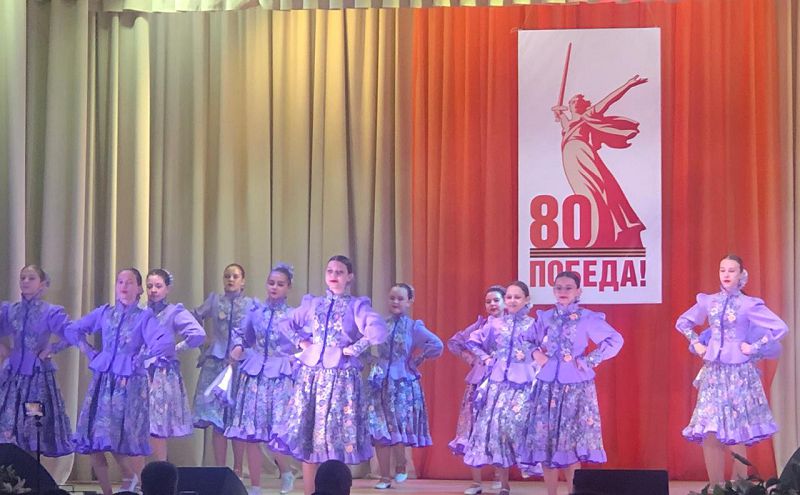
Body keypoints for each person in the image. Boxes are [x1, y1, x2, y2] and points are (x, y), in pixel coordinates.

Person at [271, 255, 387, 495]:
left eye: (340, 272)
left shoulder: (356, 306)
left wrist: (354, 348)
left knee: (335, 438)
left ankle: (336, 491)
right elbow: (285, 323)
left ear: (349, 277)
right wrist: (302, 343)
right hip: (312, 377)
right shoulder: (314, 304)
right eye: (330, 271)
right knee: (309, 437)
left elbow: (377, 329)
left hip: (341, 378)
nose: (334, 275)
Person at [675, 254, 787, 486]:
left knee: (736, 431)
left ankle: (739, 486)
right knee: (709, 430)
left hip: (738, 373)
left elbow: (779, 328)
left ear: (741, 275)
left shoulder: (749, 304)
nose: (726, 275)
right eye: (722, 270)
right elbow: (683, 322)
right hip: (714, 372)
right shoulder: (709, 301)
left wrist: (753, 346)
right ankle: (715, 487)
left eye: (731, 270)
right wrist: (696, 342)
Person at [66, 268, 173, 495]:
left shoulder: (144, 317)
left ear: (139, 289)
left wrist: (140, 359)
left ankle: (134, 478)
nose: (124, 286)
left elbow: (164, 341)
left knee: (119, 436)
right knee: (94, 438)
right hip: (103, 380)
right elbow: (74, 329)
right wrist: (89, 351)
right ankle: (107, 491)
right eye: (120, 282)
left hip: (128, 384)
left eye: (129, 282)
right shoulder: (106, 313)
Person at [522, 271, 623, 495]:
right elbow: (527, 340)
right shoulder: (546, 317)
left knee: (570, 444)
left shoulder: (588, 318)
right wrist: (537, 355)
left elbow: (615, 340)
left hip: (575, 387)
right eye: (558, 287)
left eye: (568, 288)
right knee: (546, 444)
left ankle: (572, 492)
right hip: (547, 386)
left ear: (578, 291)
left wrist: (588, 361)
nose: (563, 292)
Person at [550, 75, 648, 248]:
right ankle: (595, 234)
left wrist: (627, 85)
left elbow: (609, 100)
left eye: (579, 101)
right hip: (570, 158)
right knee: (583, 193)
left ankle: (605, 233)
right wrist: (557, 112)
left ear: (584, 105)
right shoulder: (568, 124)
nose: (575, 102)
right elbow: (562, 119)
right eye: (573, 101)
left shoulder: (589, 115)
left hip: (583, 153)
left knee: (597, 190)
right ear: (570, 106)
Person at [226, 263, 298, 495]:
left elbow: (304, 343)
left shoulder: (293, 315)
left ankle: (286, 471)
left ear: (288, 287)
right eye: (271, 283)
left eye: (280, 284)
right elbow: (243, 335)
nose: (274, 287)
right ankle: (255, 485)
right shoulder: (256, 311)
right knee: (251, 433)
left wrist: (295, 360)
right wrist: (238, 347)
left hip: (280, 376)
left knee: (276, 431)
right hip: (255, 374)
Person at [464, 281, 540, 495]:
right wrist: (487, 359)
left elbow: (546, 349)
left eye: (517, 297)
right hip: (498, 384)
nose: (512, 301)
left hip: (525, 385)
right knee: (498, 431)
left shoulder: (534, 325)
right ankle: (504, 485)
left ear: (526, 300)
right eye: (509, 297)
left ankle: (531, 469)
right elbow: (472, 341)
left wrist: (536, 366)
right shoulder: (496, 324)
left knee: (519, 427)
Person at [368, 283, 443, 489]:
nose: (395, 302)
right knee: (379, 429)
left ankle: (401, 464)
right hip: (380, 382)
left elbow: (437, 344)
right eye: (392, 297)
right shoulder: (380, 324)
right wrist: (372, 360)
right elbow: (363, 342)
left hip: (402, 383)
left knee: (398, 427)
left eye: (400, 298)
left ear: (409, 302)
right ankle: (384, 477)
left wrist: (417, 360)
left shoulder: (413, 327)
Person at [0, 265, 73, 457]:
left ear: (42, 284)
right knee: (7, 427)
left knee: (33, 425)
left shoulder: (49, 312)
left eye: (31, 278)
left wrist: (51, 349)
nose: (25, 281)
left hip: (37, 380)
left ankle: (32, 471)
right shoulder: (11, 310)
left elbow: (72, 334)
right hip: (12, 378)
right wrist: (4, 350)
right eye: (23, 278)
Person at [192, 263, 253, 473]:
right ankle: (220, 470)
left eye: (235, 276)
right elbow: (194, 316)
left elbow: (256, 331)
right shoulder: (215, 300)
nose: (230, 279)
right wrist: (204, 340)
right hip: (216, 363)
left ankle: (238, 470)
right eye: (227, 276)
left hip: (240, 366)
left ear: (243, 281)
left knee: (237, 419)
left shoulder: (251, 305)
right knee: (216, 419)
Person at [448, 285, 506, 495]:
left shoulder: (512, 325)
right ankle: (476, 482)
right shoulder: (480, 325)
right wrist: (473, 360)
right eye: (488, 301)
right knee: (472, 429)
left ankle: (501, 478)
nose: (492, 304)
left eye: (496, 300)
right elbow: (455, 343)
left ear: (505, 302)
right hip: (478, 382)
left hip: (502, 383)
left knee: (498, 429)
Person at [145, 269, 206, 461]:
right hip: (140, 372)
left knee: (157, 425)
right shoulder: (142, 312)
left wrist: (176, 348)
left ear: (167, 288)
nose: (153, 290)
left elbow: (198, 334)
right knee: (139, 423)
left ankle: (161, 469)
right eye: (150, 286)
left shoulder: (173, 312)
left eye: (158, 286)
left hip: (161, 373)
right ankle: (138, 473)